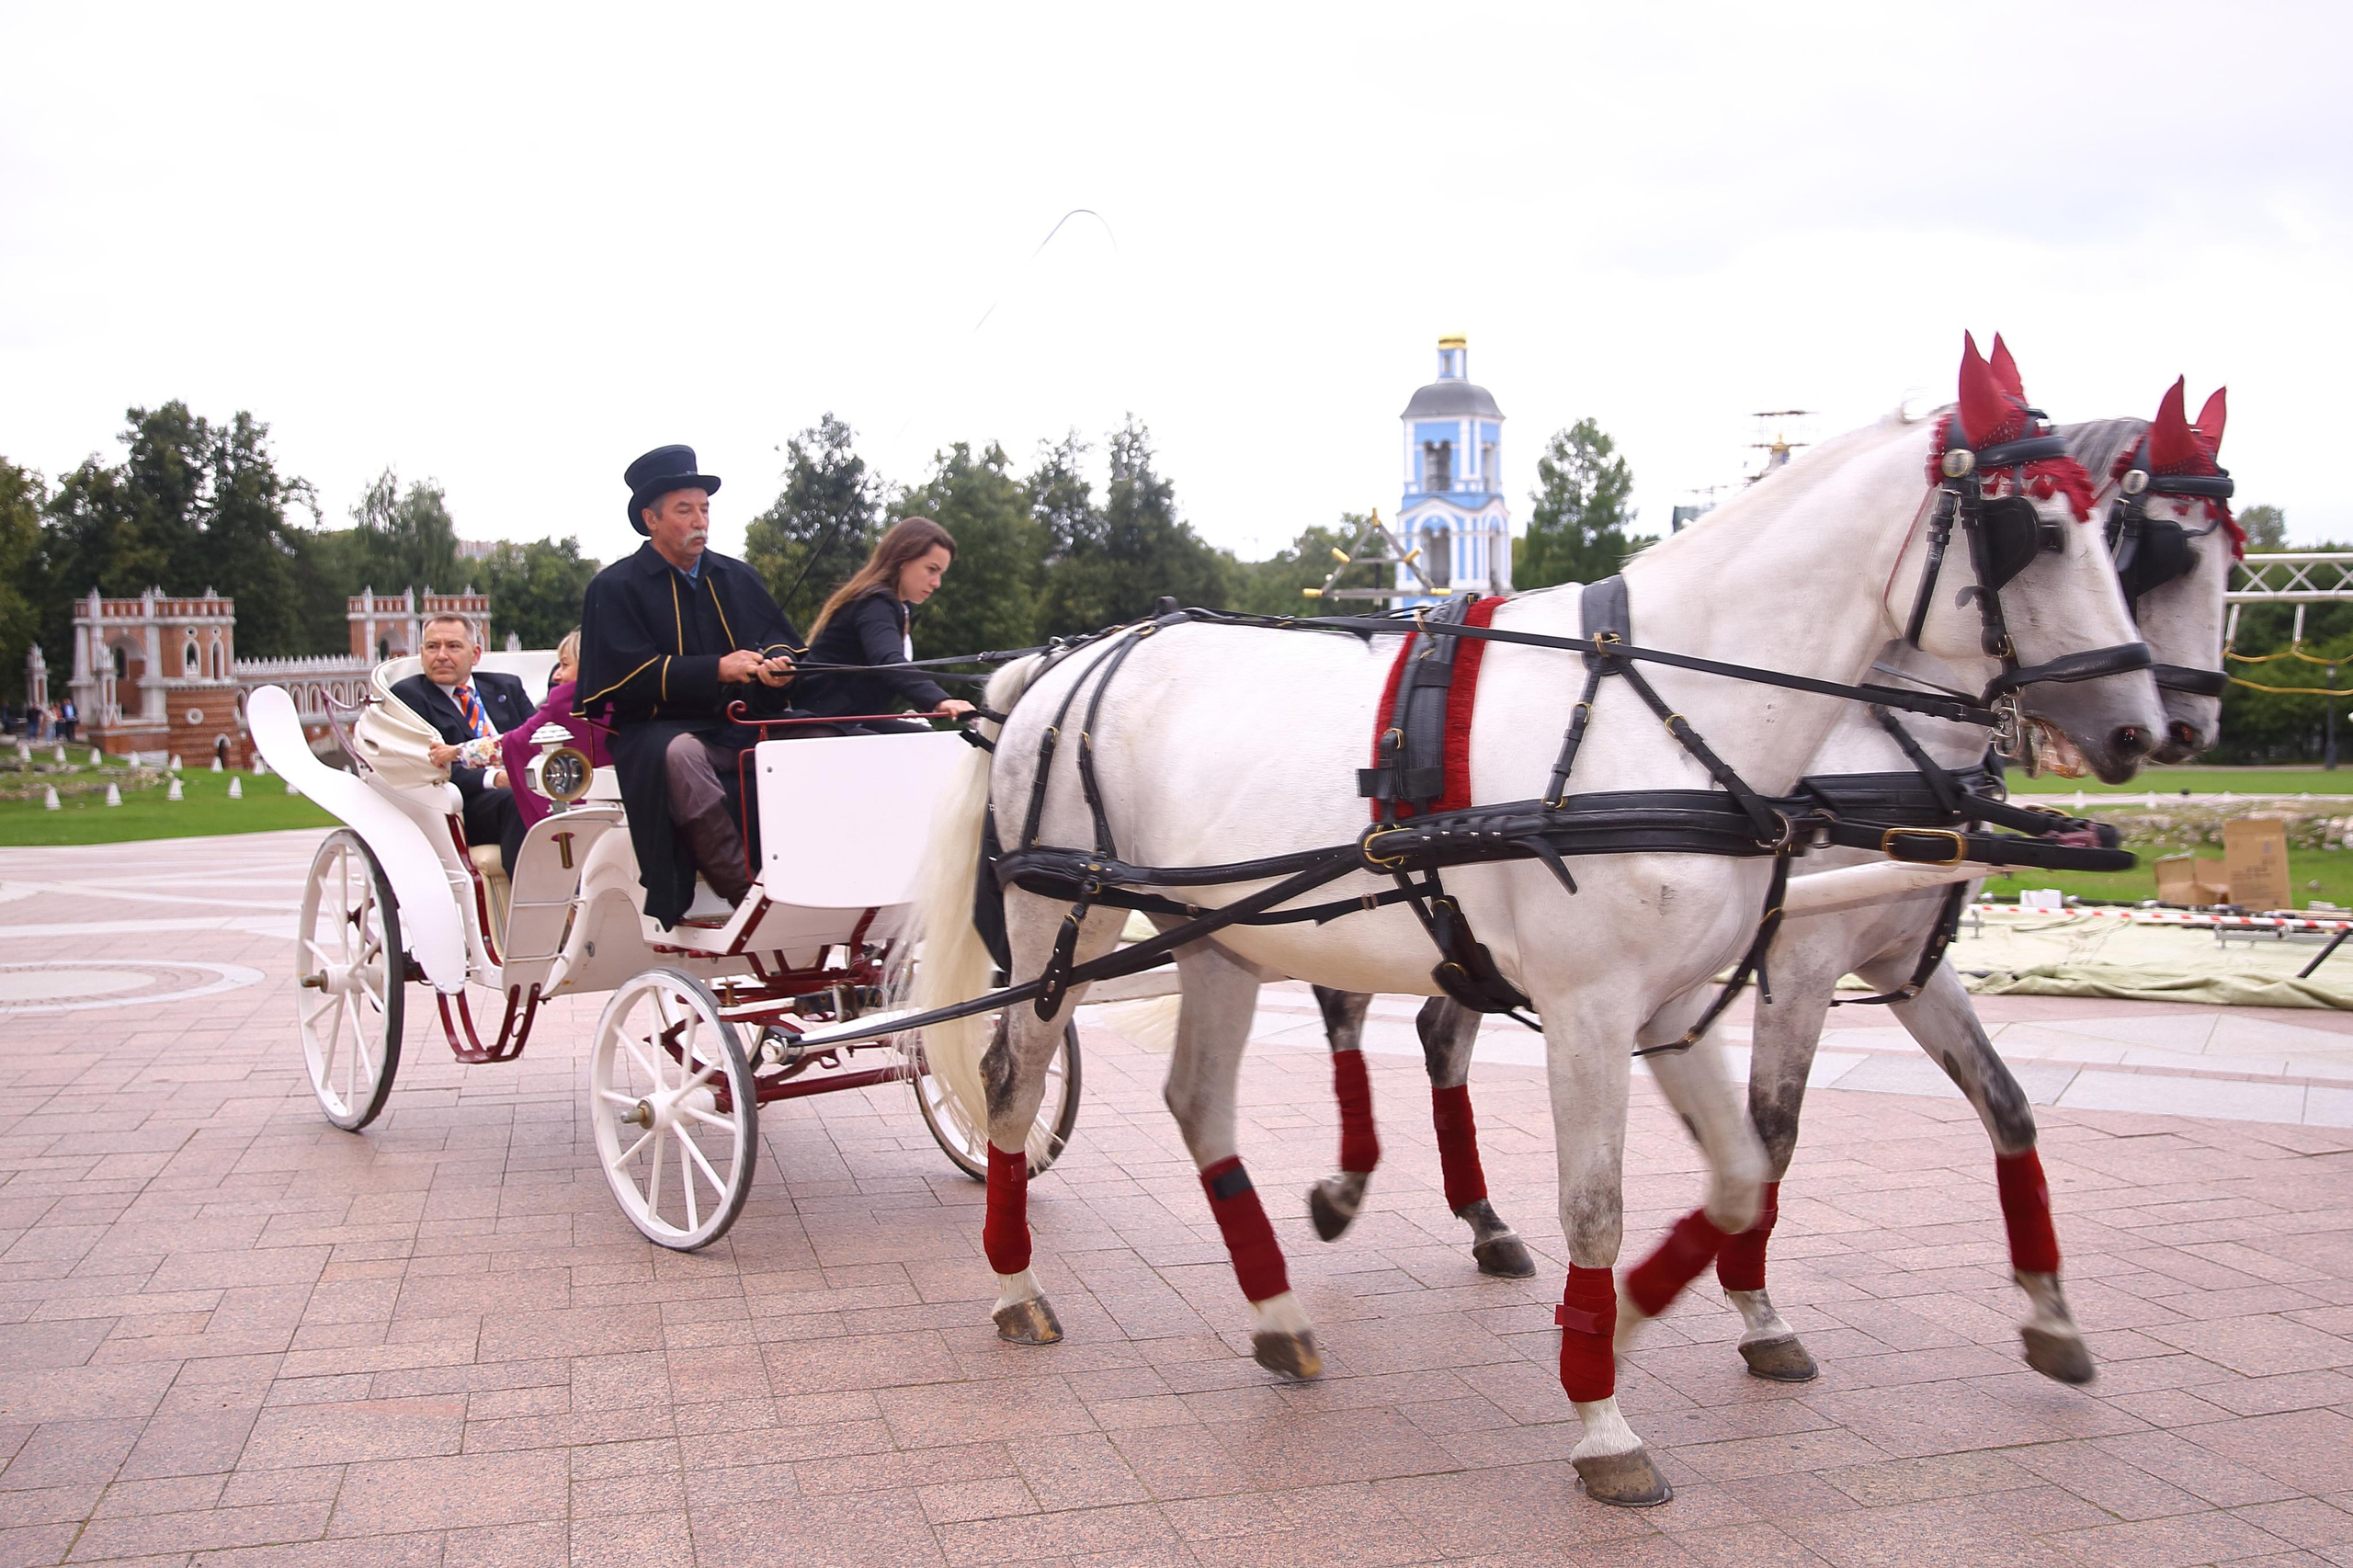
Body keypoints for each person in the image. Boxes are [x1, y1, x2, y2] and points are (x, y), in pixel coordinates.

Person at [576, 444, 802, 927]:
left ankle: (819, 870)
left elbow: (780, 640)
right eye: (685, 510)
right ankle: (746, 893)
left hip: (742, 723)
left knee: (822, 736)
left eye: (704, 509)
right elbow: (622, 677)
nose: (700, 521)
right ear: (650, 519)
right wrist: (716, 669)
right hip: (657, 732)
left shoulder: (737, 576)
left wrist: (780, 665)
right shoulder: (614, 587)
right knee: (682, 754)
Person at [797, 517, 978, 733]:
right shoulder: (875, 603)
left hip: (848, 718)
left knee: (927, 739)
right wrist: (940, 700)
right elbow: (888, 661)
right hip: (824, 721)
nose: (937, 583)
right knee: (925, 744)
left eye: (940, 574)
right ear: (902, 560)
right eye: (932, 569)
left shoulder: (893, 605)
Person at [438, 629, 613, 840]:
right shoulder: (631, 698)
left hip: (586, 814)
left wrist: (456, 753)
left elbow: (513, 743)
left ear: (587, 667)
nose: (557, 675)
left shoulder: (564, 702)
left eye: (565, 665)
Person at [394, 615, 529, 873]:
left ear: (475, 654)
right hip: (464, 805)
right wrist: (498, 778)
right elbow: (428, 764)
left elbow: (534, 739)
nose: (441, 656)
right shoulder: (409, 696)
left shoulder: (507, 686)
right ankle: (533, 893)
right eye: (432, 647)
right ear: (422, 654)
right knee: (516, 800)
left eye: (453, 646)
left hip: (527, 785)